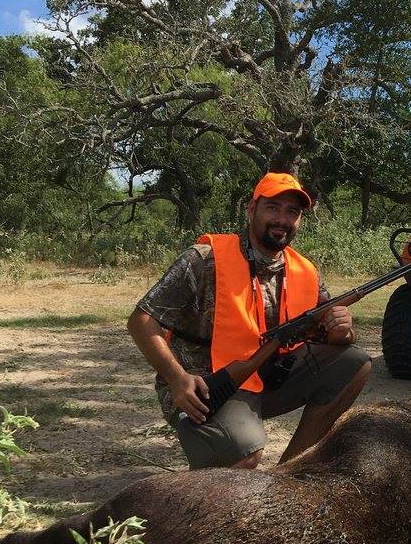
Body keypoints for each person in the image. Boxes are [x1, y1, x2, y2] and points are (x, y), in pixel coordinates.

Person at [127, 172, 372, 469]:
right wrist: (178, 380)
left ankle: (289, 474)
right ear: (251, 209)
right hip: (204, 385)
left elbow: (329, 335)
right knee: (243, 453)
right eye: (273, 207)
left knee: (354, 362)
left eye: (292, 211)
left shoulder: (305, 270)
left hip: (267, 377)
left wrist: (342, 331)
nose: (282, 219)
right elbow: (141, 321)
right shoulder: (205, 259)